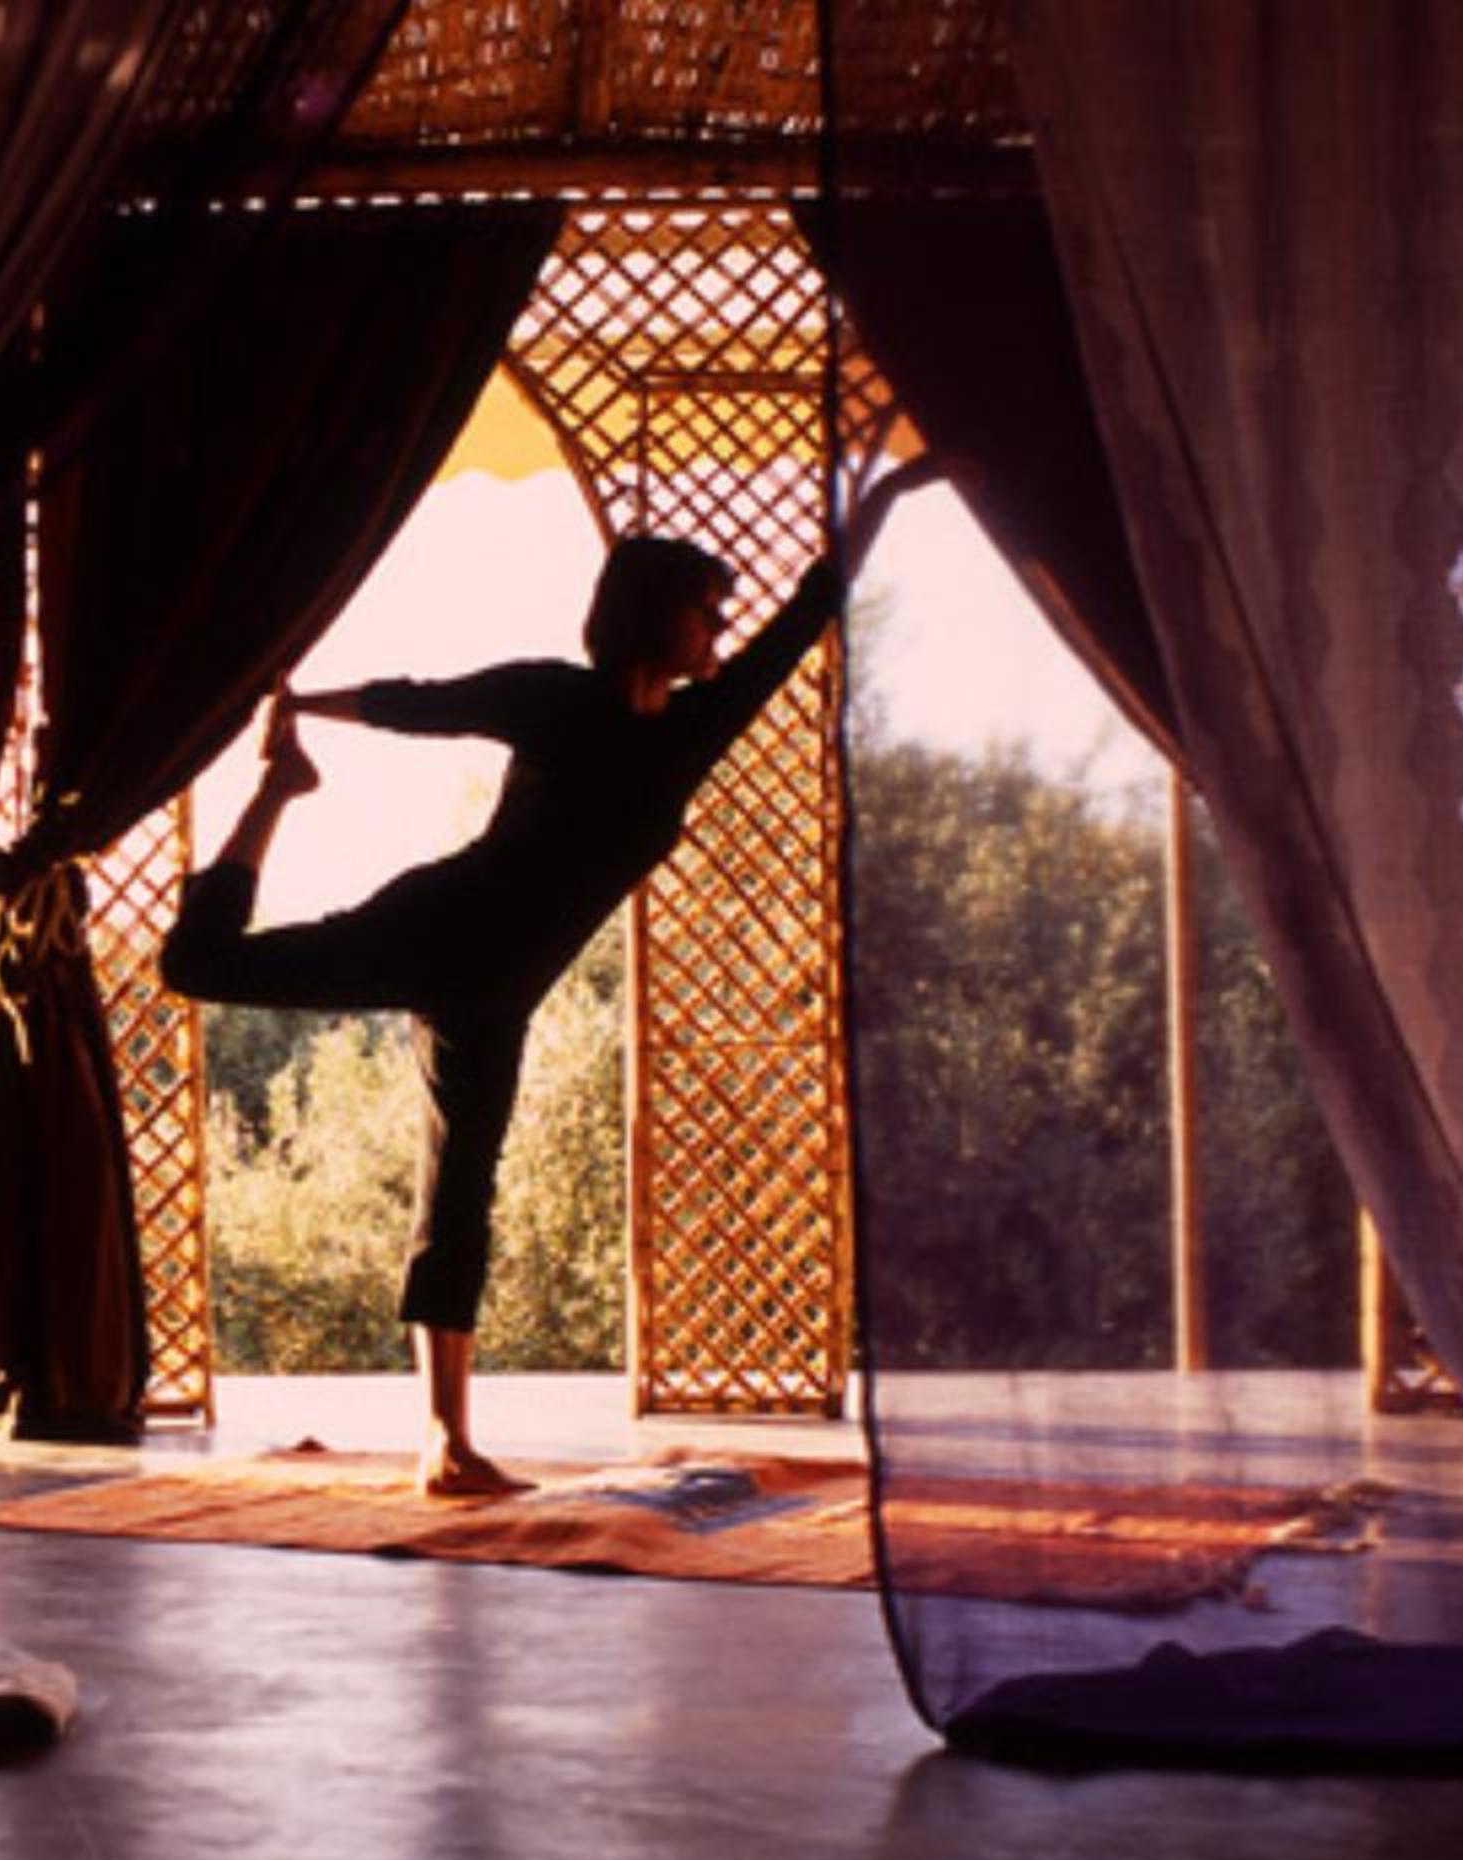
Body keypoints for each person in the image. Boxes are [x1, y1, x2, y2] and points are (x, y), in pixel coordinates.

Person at [161, 456, 943, 1495]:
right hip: (437, 930)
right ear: (654, 614)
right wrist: (301, 704)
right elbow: (423, 704)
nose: (721, 627)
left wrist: (886, 494)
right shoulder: (553, 699)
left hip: (499, 991)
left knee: (462, 1194)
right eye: (707, 608)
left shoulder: (696, 728)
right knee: (199, 966)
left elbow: (811, 608)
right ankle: (278, 795)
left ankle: (446, 1444)